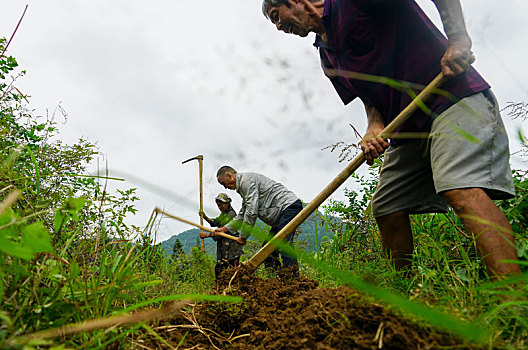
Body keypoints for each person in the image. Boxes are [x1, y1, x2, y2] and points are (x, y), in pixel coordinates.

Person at [261, 0, 521, 279]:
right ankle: (404, 294)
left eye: (277, 16)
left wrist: (457, 38)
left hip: (451, 98)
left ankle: (510, 297)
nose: (278, 27)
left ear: (295, 1)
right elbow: (367, 95)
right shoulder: (327, 56)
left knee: (459, 187)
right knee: (387, 206)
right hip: (407, 129)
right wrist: (374, 126)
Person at [214, 166, 303, 272]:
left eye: (224, 183)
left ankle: (293, 280)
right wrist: (224, 229)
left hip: (288, 207)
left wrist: (243, 236)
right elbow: (242, 214)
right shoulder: (244, 188)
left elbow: (251, 212)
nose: (225, 187)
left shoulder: (246, 182)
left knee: (283, 243)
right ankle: (277, 282)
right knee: (267, 252)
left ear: (229, 176)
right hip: (281, 214)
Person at [200, 193, 243, 280]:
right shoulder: (224, 214)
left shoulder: (230, 215)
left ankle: (232, 288)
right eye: (218, 205)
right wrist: (204, 217)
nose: (220, 207)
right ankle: (221, 289)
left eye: (222, 204)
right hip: (224, 247)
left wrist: (206, 235)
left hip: (232, 248)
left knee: (230, 270)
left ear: (228, 203)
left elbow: (221, 232)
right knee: (219, 270)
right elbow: (215, 222)